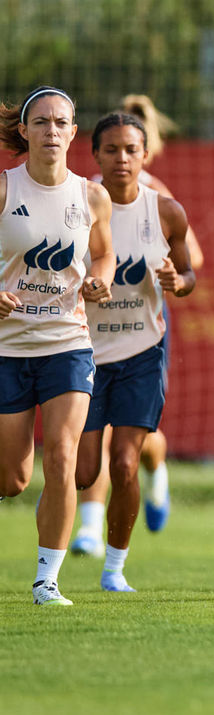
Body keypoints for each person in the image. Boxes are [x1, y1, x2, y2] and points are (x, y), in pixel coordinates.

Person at [70, 112, 197, 592]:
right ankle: (71, 536)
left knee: (124, 462)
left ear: (145, 155)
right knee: (84, 471)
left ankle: (114, 569)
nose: (121, 158)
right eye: (111, 150)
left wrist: (177, 282)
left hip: (142, 352)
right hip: (81, 351)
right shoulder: (76, 205)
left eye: (131, 150)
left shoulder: (165, 211)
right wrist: (82, 287)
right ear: (95, 155)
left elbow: (188, 273)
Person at [0, 86, 114, 605]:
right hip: (8, 349)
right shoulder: (5, 189)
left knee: (63, 458)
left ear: (73, 132)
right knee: (12, 479)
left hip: (68, 342)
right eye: (41, 122)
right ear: (24, 131)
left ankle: (47, 581)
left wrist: (100, 279)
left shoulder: (91, 197)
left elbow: (104, 254)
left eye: (60, 122)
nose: (51, 130)